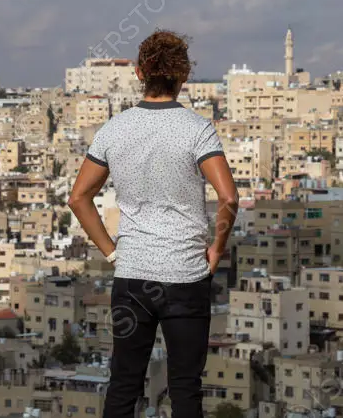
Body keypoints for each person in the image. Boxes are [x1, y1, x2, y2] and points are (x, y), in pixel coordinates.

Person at [68, 29, 239, 418]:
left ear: (141, 72)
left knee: (124, 385)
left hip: (133, 277)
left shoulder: (114, 129)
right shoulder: (197, 128)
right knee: (185, 389)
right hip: (186, 275)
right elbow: (228, 197)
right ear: (183, 75)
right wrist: (217, 248)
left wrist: (113, 254)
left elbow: (79, 198)